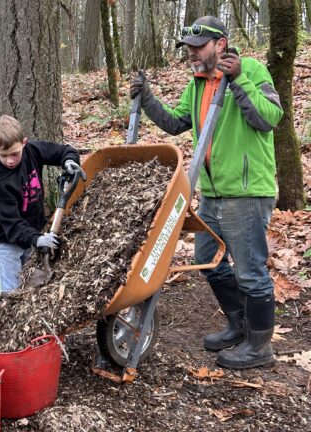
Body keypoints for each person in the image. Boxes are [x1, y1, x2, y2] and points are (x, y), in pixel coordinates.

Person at [130, 16, 283, 369]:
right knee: (209, 262)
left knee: (250, 272)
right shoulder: (197, 83)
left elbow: (270, 118)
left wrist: (239, 79)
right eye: (188, 49)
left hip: (245, 192)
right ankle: (239, 325)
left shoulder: (254, 71)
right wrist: (148, 98)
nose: (192, 55)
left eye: (199, 47)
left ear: (221, 44)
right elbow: (175, 122)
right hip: (212, 192)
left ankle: (259, 348)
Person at [0, 115, 85, 293]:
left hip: (32, 231)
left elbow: (63, 151)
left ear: (24, 143)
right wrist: (37, 239)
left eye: (15, 153)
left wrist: (69, 161)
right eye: (3, 155)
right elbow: (11, 223)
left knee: (33, 288)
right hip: (7, 241)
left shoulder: (33, 150)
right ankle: (9, 319)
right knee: (11, 292)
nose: (10, 160)